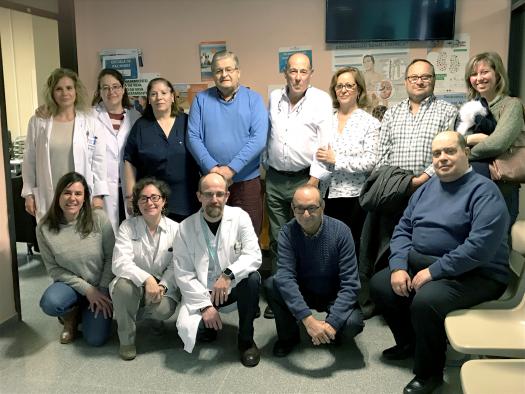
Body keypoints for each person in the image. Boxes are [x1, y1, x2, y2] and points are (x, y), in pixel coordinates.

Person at [370, 131, 509, 394]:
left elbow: (479, 248)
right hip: (424, 266)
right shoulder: (427, 189)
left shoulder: (484, 191)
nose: (442, 158)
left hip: (477, 273)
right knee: (381, 285)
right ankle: (410, 343)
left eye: (449, 151)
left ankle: (429, 373)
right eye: (436, 154)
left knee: (426, 301)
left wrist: (433, 272)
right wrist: (399, 266)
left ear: (465, 153)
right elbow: (403, 230)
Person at [360, 59, 458, 317]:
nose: (419, 81)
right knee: (386, 243)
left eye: (425, 77)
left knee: (422, 245)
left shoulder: (447, 111)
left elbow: (446, 153)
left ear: (433, 80)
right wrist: (397, 183)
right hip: (394, 190)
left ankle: (418, 298)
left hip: (431, 190)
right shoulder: (392, 112)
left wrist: (420, 180)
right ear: (406, 81)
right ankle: (385, 298)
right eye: (414, 77)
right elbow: (383, 154)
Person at [265, 52, 332, 318]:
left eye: (303, 71)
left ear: (311, 73)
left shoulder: (321, 101)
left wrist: (314, 182)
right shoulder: (273, 98)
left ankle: (305, 293)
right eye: (293, 71)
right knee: (278, 238)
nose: (297, 77)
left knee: (307, 237)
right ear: (285, 73)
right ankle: (280, 292)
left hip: (306, 178)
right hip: (275, 178)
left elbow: (326, 144)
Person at [173, 173, 262, 367]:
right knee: (188, 332)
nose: (214, 200)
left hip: (231, 286)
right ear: (199, 196)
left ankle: (246, 340)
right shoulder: (185, 228)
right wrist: (205, 305)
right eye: (208, 194)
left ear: (227, 196)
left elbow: (254, 255)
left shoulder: (240, 217)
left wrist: (228, 274)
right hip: (203, 290)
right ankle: (209, 322)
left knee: (253, 278)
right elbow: (183, 273)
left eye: (219, 194)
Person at [265, 185, 364, 357]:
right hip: (304, 290)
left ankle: (329, 333)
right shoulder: (287, 233)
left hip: (334, 292)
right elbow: (286, 278)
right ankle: (289, 338)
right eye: (300, 208)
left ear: (322, 206)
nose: (305, 214)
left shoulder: (341, 232)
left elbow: (351, 284)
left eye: (312, 208)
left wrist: (332, 323)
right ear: (292, 208)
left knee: (352, 324)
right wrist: (308, 320)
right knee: (272, 284)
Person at [187, 50, 268, 235]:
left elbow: (259, 138)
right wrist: (214, 169)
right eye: (218, 71)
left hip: (246, 182)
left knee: (247, 235)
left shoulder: (253, 99)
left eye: (229, 69)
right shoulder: (201, 100)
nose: (224, 75)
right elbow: (192, 137)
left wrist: (231, 169)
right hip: (211, 181)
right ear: (213, 75)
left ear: (238, 72)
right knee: (212, 234)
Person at [37, 172, 114, 346]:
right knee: (51, 303)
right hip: (71, 286)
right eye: (67, 192)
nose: (72, 198)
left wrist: (100, 289)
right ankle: (70, 316)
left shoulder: (98, 218)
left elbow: (111, 257)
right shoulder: (44, 227)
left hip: (101, 285)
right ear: (58, 195)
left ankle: (86, 312)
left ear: (85, 197)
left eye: (78, 194)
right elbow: (53, 269)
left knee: (95, 339)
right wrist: (88, 290)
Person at [22, 68, 108, 222]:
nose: (65, 93)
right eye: (59, 89)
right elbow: (29, 160)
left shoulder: (91, 123)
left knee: (81, 239)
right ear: (52, 93)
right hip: (50, 194)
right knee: (51, 240)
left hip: (79, 196)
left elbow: (99, 162)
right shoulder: (38, 122)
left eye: (69, 88)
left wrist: (98, 196)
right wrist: (28, 194)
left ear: (76, 91)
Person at [316, 67, 380, 263]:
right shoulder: (326, 121)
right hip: (327, 192)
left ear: (358, 90)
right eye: (339, 86)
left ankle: (350, 288)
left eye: (349, 85)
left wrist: (338, 160)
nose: (343, 90)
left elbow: (371, 161)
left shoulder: (369, 123)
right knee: (327, 244)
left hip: (354, 196)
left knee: (350, 245)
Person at [111, 177, 178, 361]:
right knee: (123, 288)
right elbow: (119, 262)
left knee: (163, 310)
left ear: (163, 200)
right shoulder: (128, 226)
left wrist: (162, 286)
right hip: (132, 281)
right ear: (137, 203)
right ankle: (126, 340)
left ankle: (150, 317)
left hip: (162, 284)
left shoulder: (176, 229)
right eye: (143, 198)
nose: (150, 202)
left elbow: (176, 265)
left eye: (155, 197)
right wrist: (147, 279)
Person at [124, 77, 200, 223]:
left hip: (186, 200)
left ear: (172, 97)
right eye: (153, 94)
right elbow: (129, 161)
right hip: (151, 201)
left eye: (164, 93)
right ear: (149, 100)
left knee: (186, 243)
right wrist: (129, 197)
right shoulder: (140, 127)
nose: (159, 97)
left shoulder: (188, 122)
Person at [463, 51, 523, 225]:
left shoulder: (512, 105)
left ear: (497, 74)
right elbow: (454, 139)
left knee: (499, 243)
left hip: (502, 188)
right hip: (470, 186)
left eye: (484, 72)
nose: (479, 78)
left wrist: (464, 153)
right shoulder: (468, 108)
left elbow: (497, 144)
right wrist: (471, 140)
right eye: (474, 74)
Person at [91, 68, 141, 233]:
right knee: (105, 237)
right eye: (105, 88)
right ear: (99, 91)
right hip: (101, 190)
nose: (111, 91)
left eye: (115, 86)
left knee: (131, 236)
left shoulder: (135, 118)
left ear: (123, 88)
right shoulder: (88, 117)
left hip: (130, 187)